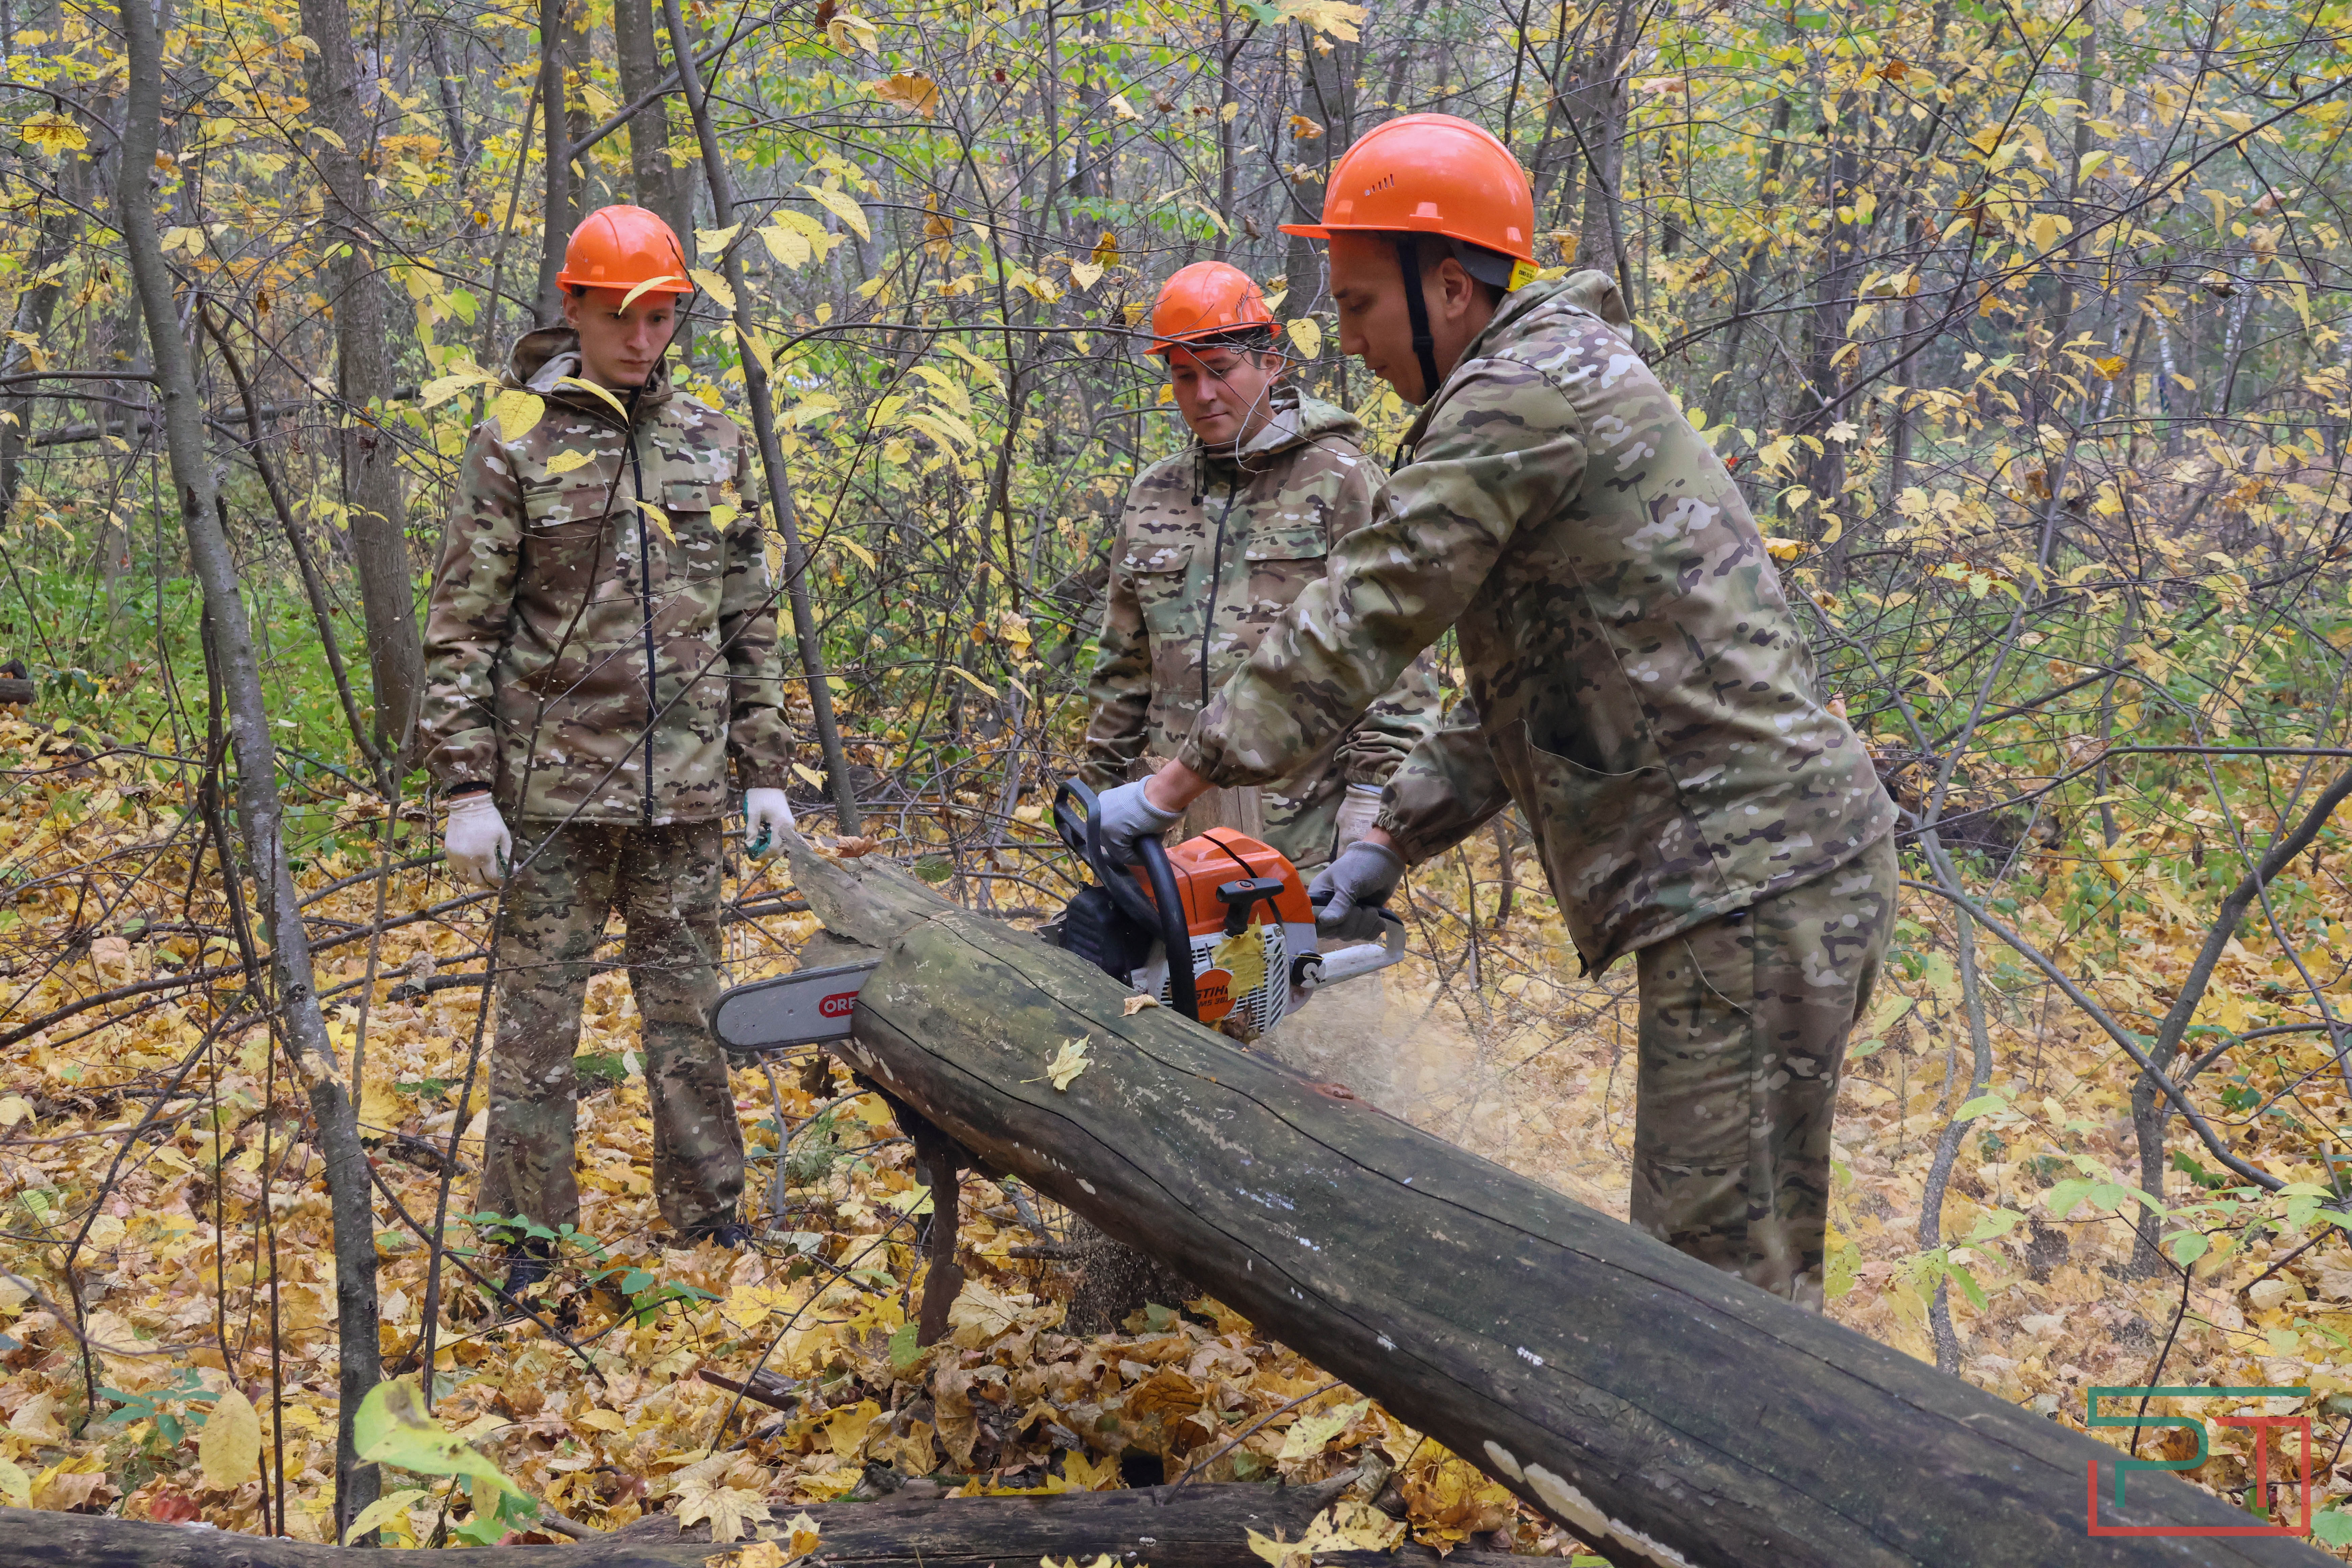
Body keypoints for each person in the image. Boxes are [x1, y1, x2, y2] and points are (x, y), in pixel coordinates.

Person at [1091, 116, 1897, 1307]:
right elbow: (1525, 695)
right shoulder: (1548, 382)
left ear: (1452, 290)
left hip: (1755, 881)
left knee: (1725, 1302)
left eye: (1362, 306)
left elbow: (1374, 603)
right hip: (1757, 879)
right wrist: (1387, 840)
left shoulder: (1523, 394)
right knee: (1734, 1276)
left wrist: (1171, 786)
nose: (1352, 343)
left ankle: (1756, 1490)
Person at [419, 204, 796, 1288]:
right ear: (573, 305)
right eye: (622, 315)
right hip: (550, 796)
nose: (643, 338)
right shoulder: (516, 442)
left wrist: (764, 772)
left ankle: (709, 1217)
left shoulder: (713, 445)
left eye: (664, 316)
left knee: (692, 1017)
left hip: (683, 796)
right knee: (539, 1029)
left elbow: (745, 618)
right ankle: (526, 1245)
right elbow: (464, 625)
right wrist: (466, 789)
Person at [1083, 260, 1440, 870]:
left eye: (1220, 371)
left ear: (1271, 364)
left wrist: (1374, 793)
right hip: (1171, 835)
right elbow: (1124, 664)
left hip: (1306, 830)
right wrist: (1098, 794)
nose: (1203, 395)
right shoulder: (1154, 494)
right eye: (1183, 376)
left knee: (1309, 969)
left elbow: (1395, 645)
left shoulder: (1342, 480)